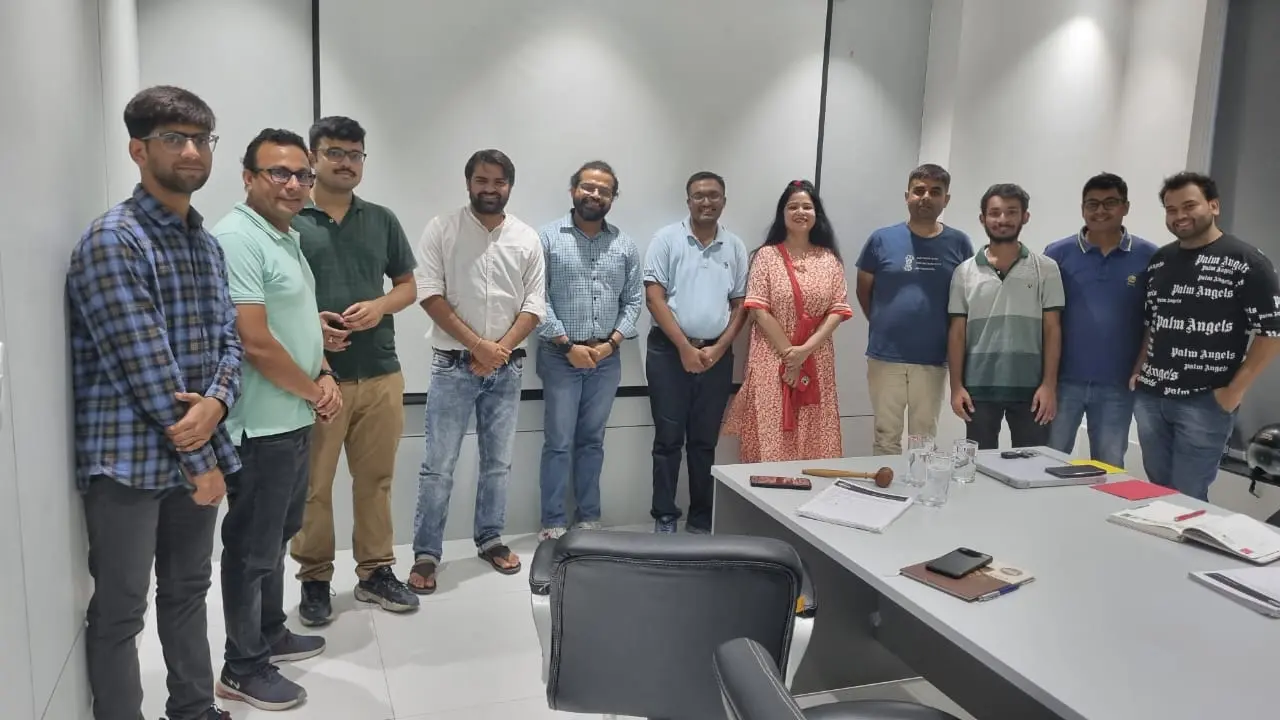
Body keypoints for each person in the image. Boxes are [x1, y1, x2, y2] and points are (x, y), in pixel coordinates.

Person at [67, 85, 237, 720]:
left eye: (201, 139)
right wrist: (202, 460)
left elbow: (229, 339)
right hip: (128, 463)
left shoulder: (204, 242)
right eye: (173, 138)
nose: (191, 151)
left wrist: (217, 404)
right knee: (121, 609)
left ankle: (193, 708)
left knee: (189, 589)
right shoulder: (115, 240)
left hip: (198, 448)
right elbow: (145, 366)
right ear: (138, 150)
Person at [213, 128, 338, 711]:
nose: (294, 184)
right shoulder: (238, 238)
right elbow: (255, 342)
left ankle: (268, 632)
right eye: (279, 173)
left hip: (291, 416)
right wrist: (315, 391)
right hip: (259, 424)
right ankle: (241, 666)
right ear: (248, 177)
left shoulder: (284, 235)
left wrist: (324, 369)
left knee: (278, 534)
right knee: (250, 549)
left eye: (302, 174)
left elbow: (294, 320)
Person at [288, 116, 419, 626]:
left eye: (355, 154)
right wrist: (310, 329)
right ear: (313, 157)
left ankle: (375, 572)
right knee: (313, 487)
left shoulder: (381, 219)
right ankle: (315, 578)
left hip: (381, 372)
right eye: (335, 153)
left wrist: (381, 305)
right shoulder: (290, 219)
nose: (346, 163)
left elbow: (408, 286)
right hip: (315, 380)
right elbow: (273, 299)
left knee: (376, 481)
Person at [407, 149, 545, 594]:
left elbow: (534, 304)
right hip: (453, 366)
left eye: (498, 182)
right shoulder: (441, 229)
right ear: (468, 183)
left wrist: (497, 351)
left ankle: (489, 538)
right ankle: (427, 553)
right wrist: (478, 346)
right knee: (438, 466)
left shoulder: (526, 237)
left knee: (498, 464)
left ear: (509, 186)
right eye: (482, 180)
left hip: (507, 370)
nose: (490, 189)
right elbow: (429, 294)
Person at [1131, 172, 1280, 500]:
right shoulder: (1160, 260)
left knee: (1188, 495)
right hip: (1152, 397)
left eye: (1189, 206)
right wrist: (1140, 368)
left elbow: (1272, 333)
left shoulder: (1246, 262)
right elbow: (1153, 322)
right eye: (1171, 209)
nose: (1179, 216)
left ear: (1213, 206)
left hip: (1204, 401)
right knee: (1157, 491)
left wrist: (1233, 392)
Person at [536, 161, 642, 540]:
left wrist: (611, 344)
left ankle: (588, 518)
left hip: (606, 359)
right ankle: (552, 522)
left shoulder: (625, 245)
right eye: (588, 187)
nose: (595, 195)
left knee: (592, 441)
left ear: (613, 198)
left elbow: (634, 301)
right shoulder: (547, 238)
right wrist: (567, 345)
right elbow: (536, 298)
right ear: (573, 191)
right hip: (559, 356)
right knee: (559, 443)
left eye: (604, 190)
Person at [645, 171, 749, 533]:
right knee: (668, 440)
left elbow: (740, 304)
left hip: (716, 356)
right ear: (688, 201)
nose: (707, 202)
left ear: (724, 201)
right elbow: (654, 298)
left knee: (705, 442)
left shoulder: (734, 246)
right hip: (669, 352)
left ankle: (702, 518)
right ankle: (665, 515)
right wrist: (684, 347)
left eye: (714, 195)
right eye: (699, 196)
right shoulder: (666, 239)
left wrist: (720, 347)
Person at [723, 179, 853, 462]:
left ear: (817, 213)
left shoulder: (830, 259)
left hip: (816, 358)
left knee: (813, 430)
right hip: (771, 359)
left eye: (807, 206)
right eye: (793, 207)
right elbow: (758, 309)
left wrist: (804, 351)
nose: (800, 212)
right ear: (782, 213)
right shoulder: (766, 256)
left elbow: (837, 310)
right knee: (770, 429)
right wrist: (790, 355)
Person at [855, 164, 973, 455]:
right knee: (886, 437)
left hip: (932, 358)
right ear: (907, 195)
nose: (926, 197)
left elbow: (965, 298)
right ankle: (886, 485)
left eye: (935, 192)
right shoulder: (881, 239)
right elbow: (863, 290)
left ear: (946, 199)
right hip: (885, 355)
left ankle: (918, 484)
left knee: (924, 440)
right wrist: (883, 321)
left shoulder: (959, 243)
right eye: (919, 190)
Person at [1044, 173, 1157, 468]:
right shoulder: (1057, 254)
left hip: (1117, 385)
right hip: (1063, 382)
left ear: (1125, 207)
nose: (1100, 211)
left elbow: (1154, 320)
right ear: (1082, 208)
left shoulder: (1149, 256)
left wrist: (1140, 365)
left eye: (1110, 203)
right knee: (1047, 460)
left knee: (1108, 466)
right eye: (1092, 204)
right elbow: (1046, 318)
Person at [948, 183, 1063, 449]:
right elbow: (957, 332)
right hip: (978, 389)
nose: (1003, 219)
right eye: (995, 213)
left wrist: (1049, 386)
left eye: (1012, 212)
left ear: (1025, 217)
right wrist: (956, 387)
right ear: (982, 218)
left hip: (1032, 390)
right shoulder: (964, 272)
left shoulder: (1046, 269)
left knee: (1032, 465)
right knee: (980, 466)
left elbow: (1053, 329)